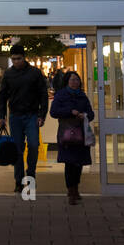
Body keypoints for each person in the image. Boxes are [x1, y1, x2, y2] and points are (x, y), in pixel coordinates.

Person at [0, 44, 48, 192]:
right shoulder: (8, 74)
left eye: (18, 59)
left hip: (32, 115)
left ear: (24, 58)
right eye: (13, 59)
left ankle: (30, 176)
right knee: (17, 149)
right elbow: (2, 96)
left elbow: (43, 95)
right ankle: (18, 181)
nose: (16, 62)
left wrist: (42, 115)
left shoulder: (35, 73)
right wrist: (1, 116)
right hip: (15, 116)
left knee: (33, 145)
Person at [50, 70, 95, 204]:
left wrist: (85, 115)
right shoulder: (61, 95)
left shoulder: (82, 95)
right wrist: (70, 112)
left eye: (77, 79)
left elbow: (91, 113)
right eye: (72, 79)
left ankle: (76, 187)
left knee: (79, 162)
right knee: (69, 163)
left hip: (81, 133)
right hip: (67, 133)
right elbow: (54, 112)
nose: (75, 82)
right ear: (67, 81)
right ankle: (71, 190)